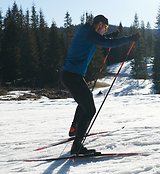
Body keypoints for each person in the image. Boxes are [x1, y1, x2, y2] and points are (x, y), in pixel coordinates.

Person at [60, 14, 140, 155]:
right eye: (106, 27)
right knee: (90, 109)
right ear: (100, 24)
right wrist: (129, 39)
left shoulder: (86, 31)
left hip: (70, 75)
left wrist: (111, 36)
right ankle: (77, 146)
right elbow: (107, 43)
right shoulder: (90, 34)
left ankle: (74, 129)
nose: (106, 30)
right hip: (73, 76)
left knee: (84, 102)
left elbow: (101, 39)